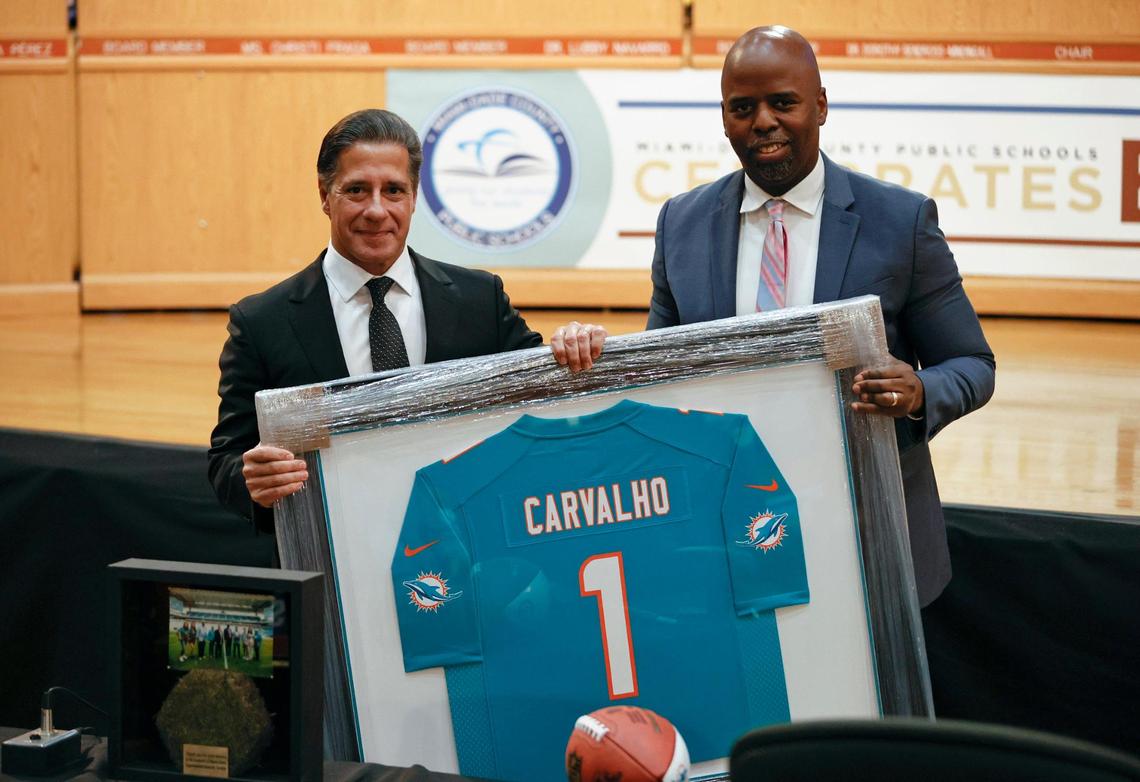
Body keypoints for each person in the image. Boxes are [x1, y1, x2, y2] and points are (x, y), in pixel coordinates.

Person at [642, 26, 995, 607]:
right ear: (724, 117)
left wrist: (918, 391)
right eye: (742, 108)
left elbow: (972, 364)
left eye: (783, 102)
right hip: (724, 529)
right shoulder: (681, 223)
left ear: (821, 106)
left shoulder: (900, 221)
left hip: (869, 530)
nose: (763, 121)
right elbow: (658, 373)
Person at [208, 109, 604, 531]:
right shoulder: (262, 321)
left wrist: (577, 350)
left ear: (414, 197)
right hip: (333, 551)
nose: (376, 210)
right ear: (325, 195)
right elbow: (226, 462)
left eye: (393, 190)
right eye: (357, 190)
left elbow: (543, 401)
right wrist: (253, 481)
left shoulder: (479, 300)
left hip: (466, 547)